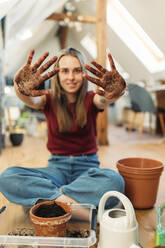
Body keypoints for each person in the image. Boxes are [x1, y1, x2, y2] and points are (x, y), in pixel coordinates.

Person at [0, 47, 126, 209]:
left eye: (77, 71)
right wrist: (20, 88)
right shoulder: (46, 99)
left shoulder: (92, 99)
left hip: (87, 169)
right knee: (8, 177)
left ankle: (53, 198)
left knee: (114, 181)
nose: (71, 77)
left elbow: (106, 99)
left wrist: (117, 91)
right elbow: (30, 100)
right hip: (56, 169)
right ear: (56, 75)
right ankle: (75, 206)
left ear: (83, 74)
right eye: (65, 71)